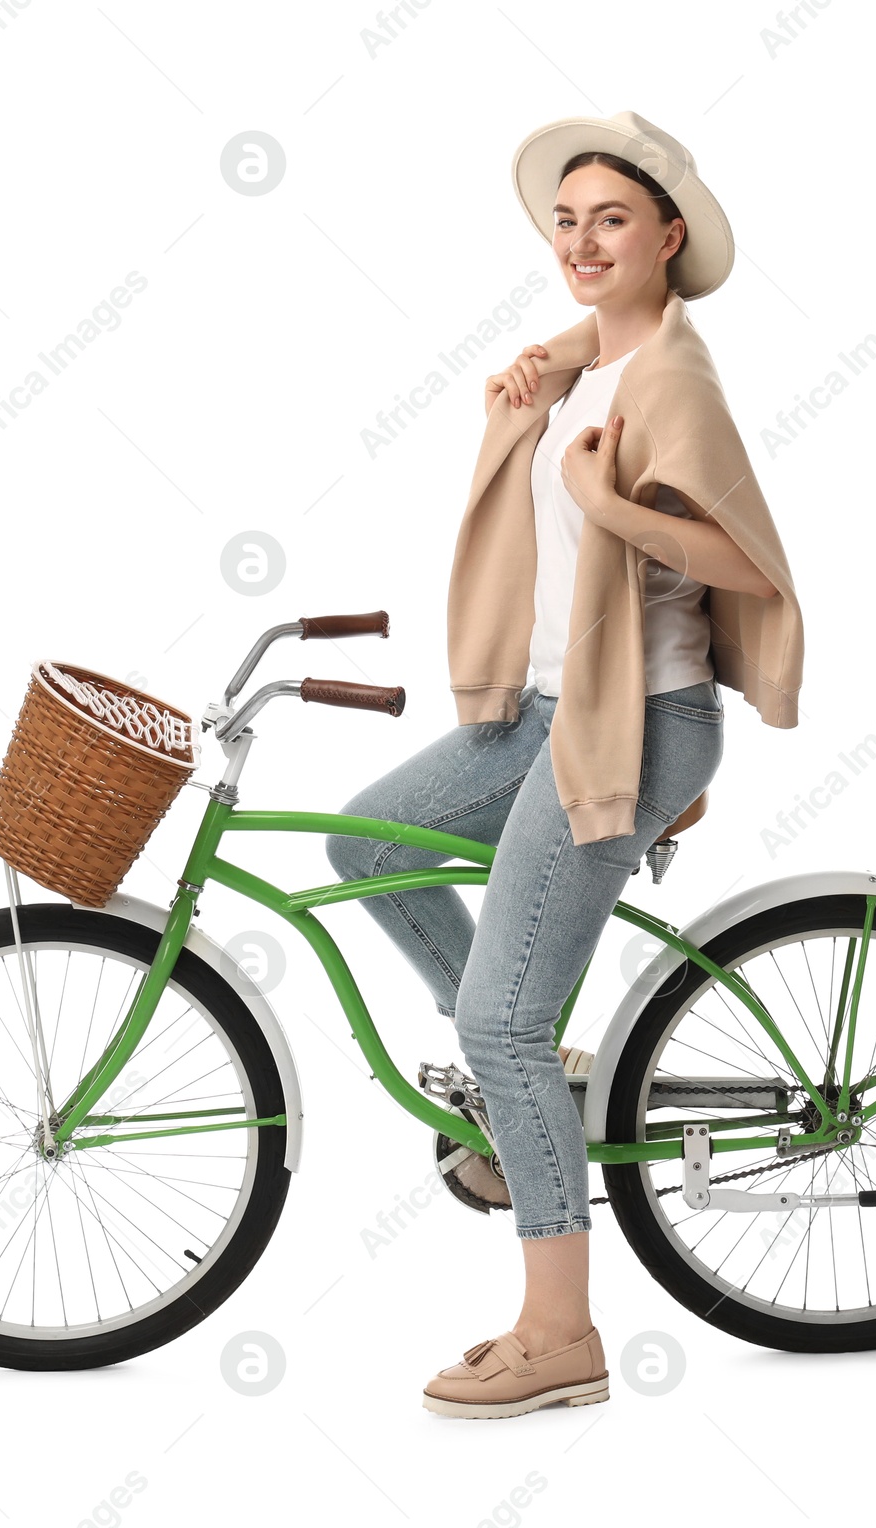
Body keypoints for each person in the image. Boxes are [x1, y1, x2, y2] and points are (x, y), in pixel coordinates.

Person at [325, 111, 803, 1420]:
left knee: (500, 1015)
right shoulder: (584, 361)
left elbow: (751, 567)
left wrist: (610, 510)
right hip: (541, 708)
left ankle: (561, 1333)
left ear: (668, 237)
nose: (584, 241)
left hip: (630, 718)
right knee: (367, 844)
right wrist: (535, 400)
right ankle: (522, 1081)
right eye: (568, 219)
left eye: (612, 220)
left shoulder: (672, 381)